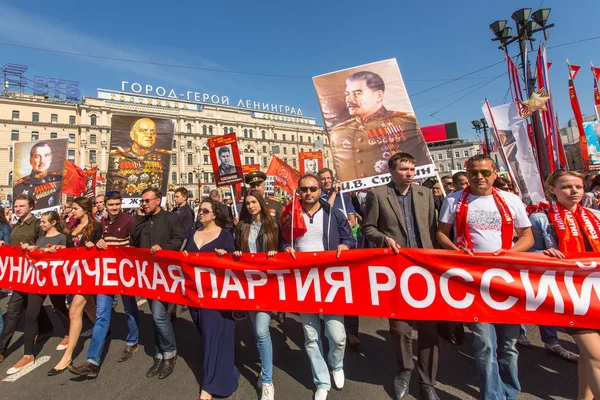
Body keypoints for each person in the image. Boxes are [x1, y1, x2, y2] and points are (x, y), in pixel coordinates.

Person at [437, 154, 534, 400]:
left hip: (506, 281)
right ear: (466, 173)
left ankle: (510, 392)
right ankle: (493, 395)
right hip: (472, 281)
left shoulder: (511, 200)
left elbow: (527, 238)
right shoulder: (453, 200)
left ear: (495, 173)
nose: (479, 177)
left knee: (508, 345)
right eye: (473, 172)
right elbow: (441, 234)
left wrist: (509, 253)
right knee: (484, 344)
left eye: (485, 172)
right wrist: (456, 250)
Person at [362, 153, 440, 400]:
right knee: (400, 329)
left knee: (429, 330)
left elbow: (432, 230)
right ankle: (404, 370)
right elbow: (368, 227)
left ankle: (427, 382)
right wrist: (383, 239)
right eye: (404, 169)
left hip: (424, 270)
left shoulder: (425, 194)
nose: (410, 173)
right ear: (392, 171)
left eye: (412, 168)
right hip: (396, 271)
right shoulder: (378, 194)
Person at [529, 170, 600, 400]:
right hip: (568, 296)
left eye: (578, 187)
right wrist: (543, 253)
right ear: (553, 190)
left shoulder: (595, 216)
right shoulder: (540, 219)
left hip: (596, 292)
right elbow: (529, 256)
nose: (574, 191)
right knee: (597, 357)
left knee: (589, 357)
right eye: (567, 187)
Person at [283, 174, 355, 400]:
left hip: (329, 281)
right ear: (298, 191)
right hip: (303, 281)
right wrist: (286, 246)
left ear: (319, 190)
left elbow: (349, 238)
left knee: (337, 335)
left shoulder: (333, 212)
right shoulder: (290, 216)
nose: (309, 193)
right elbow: (283, 239)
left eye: (313, 188)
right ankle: (321, 381)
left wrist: (345, 244)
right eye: (304, 189)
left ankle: (336, 364)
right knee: (311, 336)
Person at [68, 192, 140, 378]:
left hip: (124, 274)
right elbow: (94, 243)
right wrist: (96, 243)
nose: (114, 207)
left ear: (121, 204)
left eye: (117, 204)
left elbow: (136, 246)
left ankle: (132, 340)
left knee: (130, 309)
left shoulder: (129, 221)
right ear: (105, 205)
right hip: (106, 275)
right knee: (102, 315)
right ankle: (93, 361)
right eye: (110, 204)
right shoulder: (102, 223)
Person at [225, 190, 279, 400]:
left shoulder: (272, 224)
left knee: (261, 330)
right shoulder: (242, 226)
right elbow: (237, 248)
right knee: (257, 332)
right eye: (247, 203)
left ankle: (267, 380)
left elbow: (283, 246)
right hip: (249, 284)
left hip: (267, 283)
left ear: (261, 203)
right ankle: (265, 370)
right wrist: (237, 252)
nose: (250, 206)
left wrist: (276, 251)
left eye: (254, 202)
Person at [183, 198, 239, 400]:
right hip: (193, 294)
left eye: (205, 210)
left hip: (216, 296)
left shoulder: (225, 235)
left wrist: (226, 255)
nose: (201, 213)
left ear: (215, 214)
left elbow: (234, 264)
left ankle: (209, 385)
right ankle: (226, 369)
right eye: (200, 210)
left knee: (212, 334)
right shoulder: (191, 233)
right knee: (205, 334)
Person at [329, 70, 423, 182]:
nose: (349, 100)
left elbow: (420, 160)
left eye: (357, 93)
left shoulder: (405, 123)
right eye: (347, 94)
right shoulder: (338, 132)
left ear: (378, 95)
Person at [7, 211, 70, 375]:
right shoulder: (41, 238)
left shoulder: (61, 238)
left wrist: (58, 250)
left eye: (43, 222)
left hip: (55, 281)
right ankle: (28, 355)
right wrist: (31, 249)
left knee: (60, 307)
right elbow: (38, 252)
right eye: (41, 222)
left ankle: (70, 334)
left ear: (53, 222)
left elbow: (65, 254)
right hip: (39, 280)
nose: (41, 224)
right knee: (31, 314)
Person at [131, 187, 184, 380]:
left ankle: (170, 353)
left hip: (164, 275)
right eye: (142, 201)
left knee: (160, 315)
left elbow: (179, 239)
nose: (144, 204)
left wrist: (163, 249)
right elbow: (133, 241)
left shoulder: (171, 218)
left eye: (147, 201)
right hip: (147, 275)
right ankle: (159, 353)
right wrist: (139, 219)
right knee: (155, 315)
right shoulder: (143, 220)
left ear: (158, 200)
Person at [49, 197, 101, 375]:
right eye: (72, 209)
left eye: (75, 208)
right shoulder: (73, 227)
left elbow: (101, 250)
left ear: (85, 209)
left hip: (88, 274)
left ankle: (67, 356)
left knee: (74, 311)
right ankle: (103, 327)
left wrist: (93, 246)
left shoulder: (96, 227)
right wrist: (57, 249)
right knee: (89, 308)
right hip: (73, 274)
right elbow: (69, 248)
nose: (72, 211)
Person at [0, 195, 54, 364]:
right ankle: (46, 328)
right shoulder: (16, 225)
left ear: (30, 207)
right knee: (20, 306)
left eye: (21, 206)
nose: (17, 208)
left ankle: (1, 350)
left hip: (34, 274)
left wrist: (34, 248)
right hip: (19, 275)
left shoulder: (38, 224)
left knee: (16, 309)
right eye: (16, 206)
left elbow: (46, 244)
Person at [108, 118, 171, 197]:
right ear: (132, 135)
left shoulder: (165, 156)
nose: (149, 135)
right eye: (143, 131)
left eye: (153, 131)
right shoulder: (117, 156)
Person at [13, 141, 62, 209]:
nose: (42, 161)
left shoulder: (58, 179)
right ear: (31, 160)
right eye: (37, 156)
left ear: (51, 158)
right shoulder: (19, 185)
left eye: (46, 155)